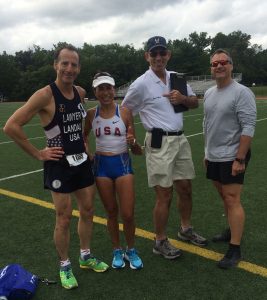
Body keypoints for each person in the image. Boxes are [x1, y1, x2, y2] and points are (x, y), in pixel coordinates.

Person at [3, 44, 108, 290]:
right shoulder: (45, 95)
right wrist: (38, 153)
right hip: (58, 164)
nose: (69, 69)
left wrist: (86, 146)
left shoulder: (81, 92)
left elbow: (80, 127)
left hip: (81, 161)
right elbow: (11, 126)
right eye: (65, 63)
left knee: (89, 210)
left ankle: (85, 256)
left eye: (74, 64)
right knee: (63, 217)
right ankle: (65, 265)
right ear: (56, 65)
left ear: (79, 68)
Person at [122, 36, 207, 260]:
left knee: (186, 188)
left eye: (162, 53)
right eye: (154, 53)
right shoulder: (141, 83)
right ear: (147, 56)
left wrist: (182, 98)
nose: (158, 57)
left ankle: (185, 229)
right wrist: (130, 134)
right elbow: (125, 109)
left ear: (168, 54)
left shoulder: (176, 78)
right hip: (159, 141)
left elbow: (195, 102)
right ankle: (159, 241)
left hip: (180, 140)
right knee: (164, 194)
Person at [83, 72, 143, 270]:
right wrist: (88, 151)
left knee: (127, 214)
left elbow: (137, 150)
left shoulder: (125, 112)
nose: (106, 92)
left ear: (114, 89)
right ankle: (117, 249)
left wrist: (133, 142)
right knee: (111, 212)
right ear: (95, 91)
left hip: (123, 165)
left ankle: (131, 249)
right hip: (101, 167)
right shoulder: (91, 114)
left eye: (109, 87)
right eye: (101, 88)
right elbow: (84, 137)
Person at [203, 48, 256, 269]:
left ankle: (235, 249)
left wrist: (240, 158)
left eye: (223, 62)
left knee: (232, 198)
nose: (219, 66)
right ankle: (232, 230)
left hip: (233, 155)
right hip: (214, 156)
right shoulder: (208, 93)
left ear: (231, 66)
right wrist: (207, 153)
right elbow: (207, 125)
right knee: (224, 197)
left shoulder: (242, 92)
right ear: (211, 68)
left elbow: (248, 127)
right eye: (215, 64)